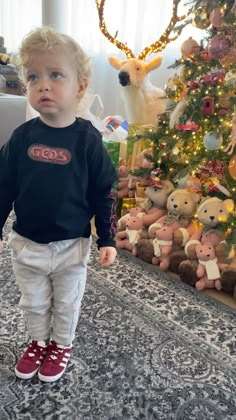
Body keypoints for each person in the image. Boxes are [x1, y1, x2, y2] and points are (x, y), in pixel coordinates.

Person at [0, 26, 117, 383]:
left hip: (72, 246)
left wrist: (108, 238)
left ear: (80, 86)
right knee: (32, 301)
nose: (43, 85)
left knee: (66, 304)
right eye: (34, 76)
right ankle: (37, 341)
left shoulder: (88, 140)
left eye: (55, 75)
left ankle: (61, 344)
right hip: (28, 243)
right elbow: (3, 186)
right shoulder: (22, 137)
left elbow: (105, 190)